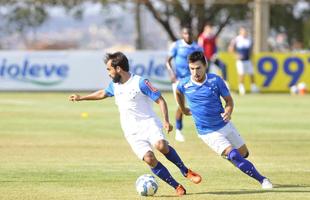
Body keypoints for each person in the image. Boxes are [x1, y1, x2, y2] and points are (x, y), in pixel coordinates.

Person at [69, 52, 201, 196]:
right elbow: (102, 93)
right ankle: (176, 186)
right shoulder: (115, 85)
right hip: (131, 131)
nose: (108, 73)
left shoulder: (140, 82)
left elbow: (160, 100)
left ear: (118, 69)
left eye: (109, 70)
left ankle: (185, 170)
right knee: (150, 159)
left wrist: (166, 121)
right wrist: (81, 98)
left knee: (161, 146)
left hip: (149, 123)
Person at [175, 51, 273, 189]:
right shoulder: (184, 84)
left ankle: (232, 156)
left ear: (205, 65)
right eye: (192, 69)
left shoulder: (216, 81)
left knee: (243, 154)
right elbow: (178, 92)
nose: (195, 72)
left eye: (198, 68)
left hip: (225, 125)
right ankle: (263, 180)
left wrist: (228, 110)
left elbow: (229, 101)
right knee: (234, 155)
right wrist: (183, 109)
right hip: (207, 132)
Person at [166, 26, 203, 142]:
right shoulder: (177, 45)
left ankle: (201, 129)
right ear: (182, 35)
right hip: (178, 80)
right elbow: (167, 60)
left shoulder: (197, 47)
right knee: (180, 106)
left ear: (193, 35)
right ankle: (179, 131)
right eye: (185, 34)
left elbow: (202, 64)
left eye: (189, 34)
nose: (187, 36)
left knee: (197, 104)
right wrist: (171, 74)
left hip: (193, 80)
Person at [228, 27, 259, 95]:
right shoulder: (237, 39)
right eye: (243, 31)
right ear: (240, 32)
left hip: (248, 60)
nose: (244, 33)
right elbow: (230, 48)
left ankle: (253, 88)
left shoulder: (249, 39)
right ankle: (241, 88)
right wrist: (235, 55)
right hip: (240, 61)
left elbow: (251, 51)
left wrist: (252, 59)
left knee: (251, 74)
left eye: (245, 31)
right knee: (241, 74)